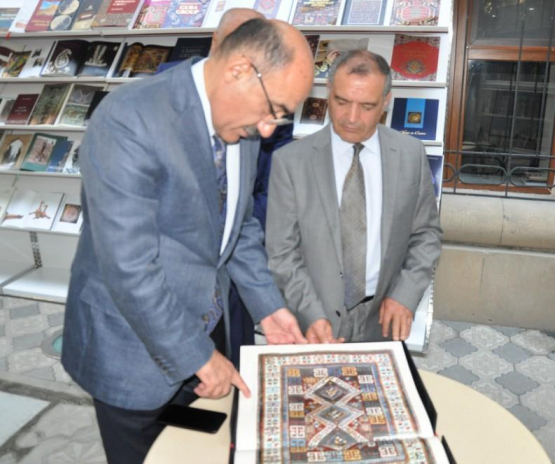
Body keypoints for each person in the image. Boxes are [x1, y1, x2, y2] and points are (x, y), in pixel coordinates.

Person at [61, 18, 313, 464]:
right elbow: (128, 267)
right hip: (131, 347)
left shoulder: (242, 121)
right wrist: (197, 355)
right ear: (239, 70)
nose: (271, 129)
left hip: (206, 329)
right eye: (274, 109)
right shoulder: (130, 118)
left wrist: (268, 308)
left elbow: (238, 226)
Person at [266, 50, 443, 344]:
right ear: (328, 91)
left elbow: (425, 234)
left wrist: (405, 294)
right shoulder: (291, 162)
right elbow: (281, 253)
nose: (351, 117)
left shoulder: (410, 155)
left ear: (386, 101)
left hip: (382, 317)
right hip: (314, 320)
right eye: (342, 101)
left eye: (367, 106)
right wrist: (311, 313)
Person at [209, 8, 296, 367]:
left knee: (234, 369)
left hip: (235, 271)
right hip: (145, 350)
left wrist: (269, 306)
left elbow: (259, 195)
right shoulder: (146, 115)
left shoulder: (262, 109)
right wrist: (194, 355)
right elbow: (130, 259)